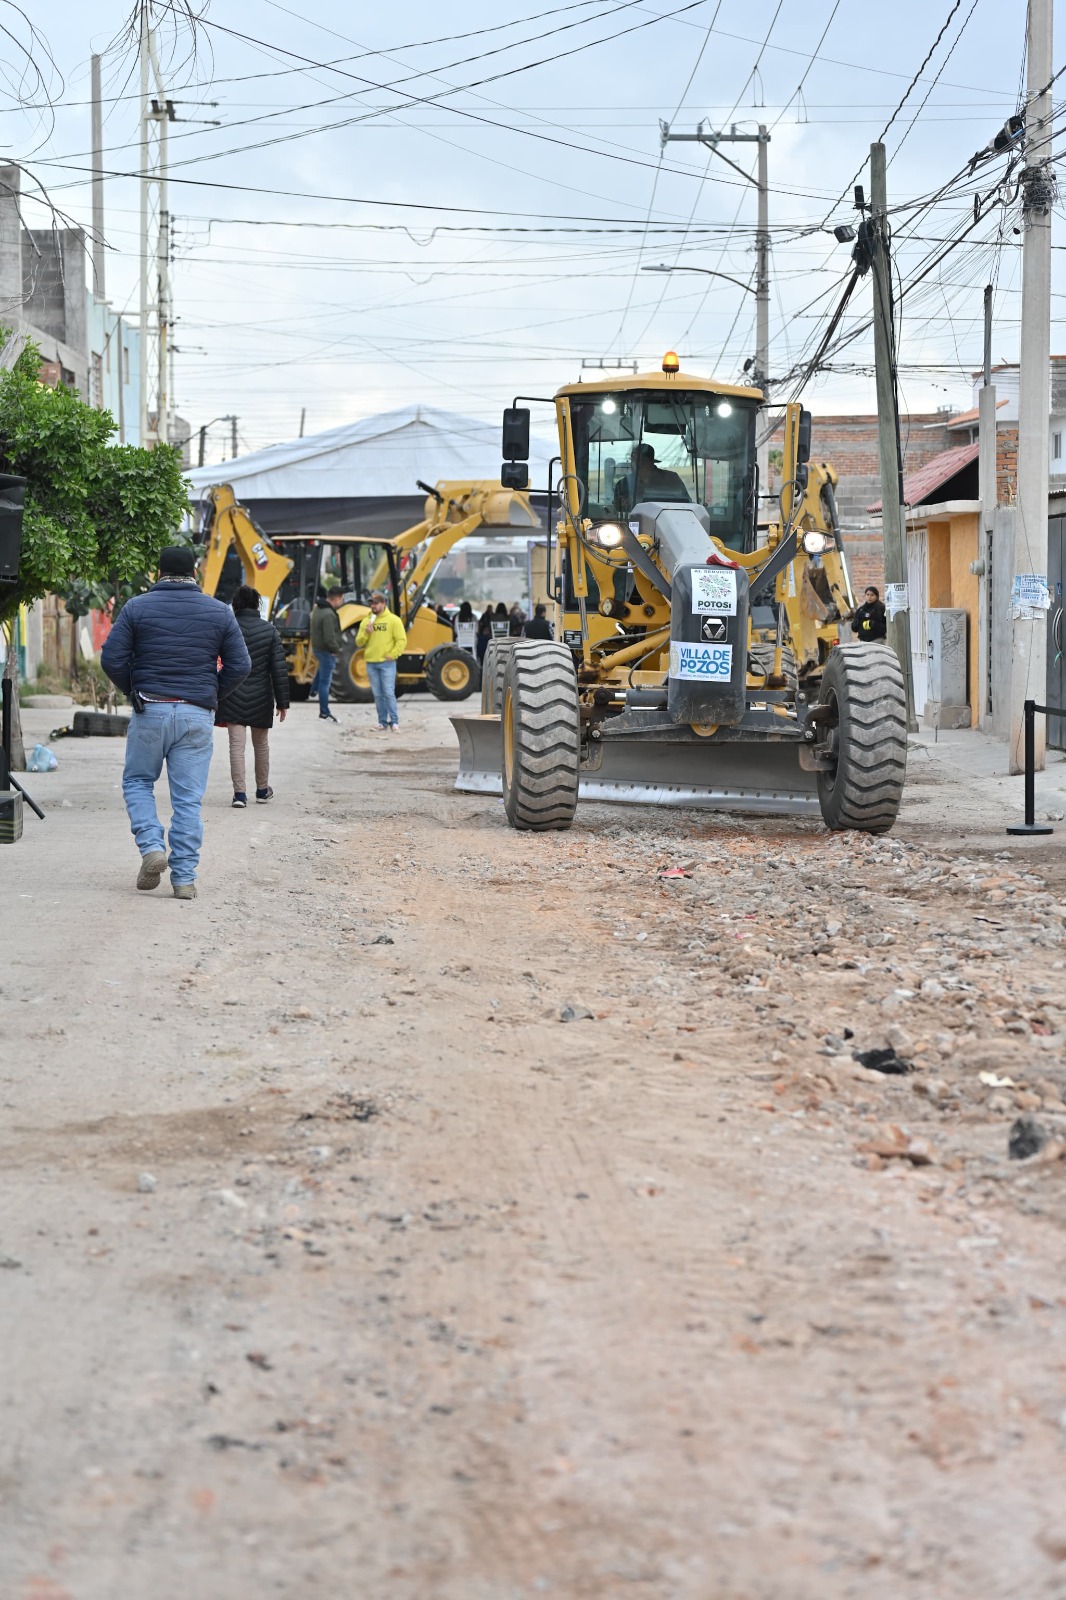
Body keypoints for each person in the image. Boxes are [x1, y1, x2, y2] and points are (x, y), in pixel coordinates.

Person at [100, 545, 250, 901]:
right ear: (195, 572)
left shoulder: (136, 607)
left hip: (150, 710)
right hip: (196, 715)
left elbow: (112, 658)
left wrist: (133, 690)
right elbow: (240, 666)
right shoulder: (219, 612)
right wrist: (210, 695)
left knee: (137, 781)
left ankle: (152, 846)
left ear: (158, 573)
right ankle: (184, 879)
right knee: (188, 800)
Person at [215, 585, 290, 808]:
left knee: (236, 747)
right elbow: (279, 669)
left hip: (232, 694)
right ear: (257, 605)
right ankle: (262, 790)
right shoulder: (269, 631)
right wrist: (283, 702)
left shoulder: (228, 628)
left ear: (235, 605)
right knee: (261, 745)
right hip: (261, 696)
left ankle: (239, 795)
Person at [356, 589, 407, 731]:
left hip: (387, 663)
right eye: (371, 604)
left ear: (384, 604)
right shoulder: (366, 621)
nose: (373, 606)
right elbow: (359, 642)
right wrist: (366, 632)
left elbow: (401, 640)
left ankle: (395, 721)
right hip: (371, 662)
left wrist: (394, 654)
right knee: (378, 694)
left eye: (376, 604)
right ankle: (382, 722)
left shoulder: (394, 620)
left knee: (388, 692)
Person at [615, 442, 689, 511]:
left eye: (641, 461)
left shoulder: (672, 479)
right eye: (633, 461)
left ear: (650, 462)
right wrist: (623, 506)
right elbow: (616, 513)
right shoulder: (623, 484)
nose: (635, 465)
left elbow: (686, 504)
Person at [309, 586, 344, 722]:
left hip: (318, 648)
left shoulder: (317, 609)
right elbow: (329, 638)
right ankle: (324, 712)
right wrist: (335, 649)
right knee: (325, 682)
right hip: (327, 651)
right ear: (336, 598)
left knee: (321, 670)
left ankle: (313, 690)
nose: (341, 602)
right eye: (341, 599)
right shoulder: (329, 614)